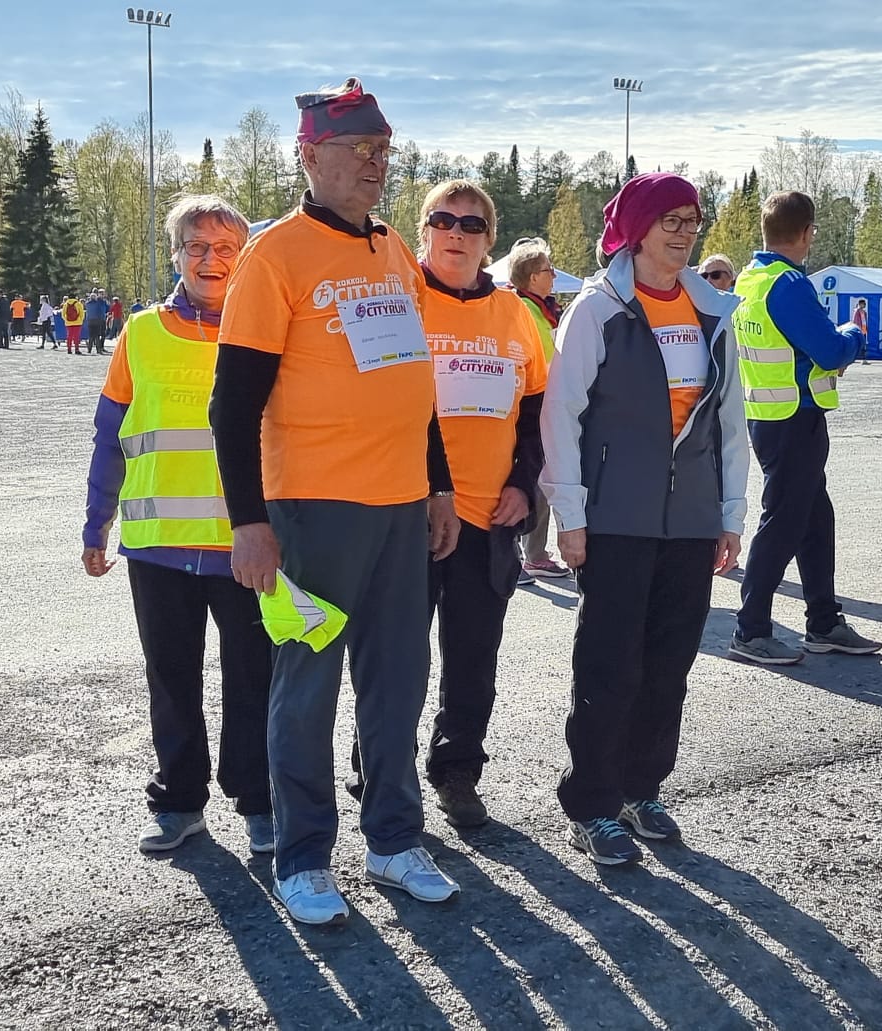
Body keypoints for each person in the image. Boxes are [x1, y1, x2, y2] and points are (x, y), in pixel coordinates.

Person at [210, 76, 461, 925]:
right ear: (308, 156)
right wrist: (249, 521)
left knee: (396, 682)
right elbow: (232, 403)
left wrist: (437, 485)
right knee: (308, 687)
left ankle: (394, 840)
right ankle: (304, 855)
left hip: (397, 509)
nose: (373, 165)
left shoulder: (393, 250)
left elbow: (413, 385)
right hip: (311, 510)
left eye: (383, 152)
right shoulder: (273, 256)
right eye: (357, 151)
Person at [541, 172, 747, 864]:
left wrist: (729, 513)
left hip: (688, 520)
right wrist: (569, 513)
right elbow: (561, 415)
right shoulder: (597, 310)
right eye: (671, 220)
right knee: (608, 666)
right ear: (636, 228)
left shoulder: (713, 312)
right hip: (615, 517)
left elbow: (729, 423)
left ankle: (641, 787)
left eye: (693, 219)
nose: (686, 232)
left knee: (668, 665)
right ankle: (592, 804)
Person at [81, 194, 273, 856]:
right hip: (159, 548)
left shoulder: (268, 332)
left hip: (243, 545)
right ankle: (180, 801)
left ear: (245, 258)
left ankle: (257, 800)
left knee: (255, 678)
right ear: (175, 254)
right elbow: (111, 434)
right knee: (172, 677)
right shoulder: (140, 332)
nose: (211, 259)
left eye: (226, 248)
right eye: (196, 245)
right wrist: (94, 521)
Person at [405, 181, 547, 827]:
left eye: (471, 223)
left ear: (491, 238)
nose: (456, 233)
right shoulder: (401, 298)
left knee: (472, 658)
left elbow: (537, 409)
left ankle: (457, 771)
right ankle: (379, 769)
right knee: (398, 657)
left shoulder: (516, 314)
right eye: (443, 220)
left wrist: (523, 481)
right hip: (407, 511)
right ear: (425, 230)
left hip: (490, 515)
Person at [727, 191, 878, 665]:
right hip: (795, 417)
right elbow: (830, 352)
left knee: (815, 519)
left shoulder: (750, 279)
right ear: (808, 232)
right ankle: (752, 630)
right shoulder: (789, 284)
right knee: (785, 522)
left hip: (768, 414)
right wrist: (855, 334)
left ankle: (823, 621)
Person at [505, 235, 571, 581]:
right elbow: (541, 363)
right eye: (549, 270)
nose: (554, 276)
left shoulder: (543, 310)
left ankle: (533, 553)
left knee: (541, 482)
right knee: (532, 481)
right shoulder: (525, 311)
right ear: (532, 277)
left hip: (546, 406)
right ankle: (525, 554)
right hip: (532, 408)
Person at [85, 288, 111, 355]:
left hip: (99, 319)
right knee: (97, 335)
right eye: (101, 293)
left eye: (103, 293)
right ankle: (98, 348)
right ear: (98, 294)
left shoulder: (103, 301)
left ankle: (97, 347)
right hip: (98, 319)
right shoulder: (98, 302)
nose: (102, 295)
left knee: (101, 334)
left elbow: (107, 309)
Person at [850, 298, 870, 364]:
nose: (864, 305)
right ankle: (852, 358)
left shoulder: (864, 312)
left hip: (864, 331)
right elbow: (855, 321)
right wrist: (857, 329)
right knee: (857, 344)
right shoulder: (857, 311)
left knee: (863, 345)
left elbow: (865, 321)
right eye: (863, 304)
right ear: (860, 304)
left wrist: (866, 329)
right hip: (859, 331)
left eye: (865, 304)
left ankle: (864, 359)